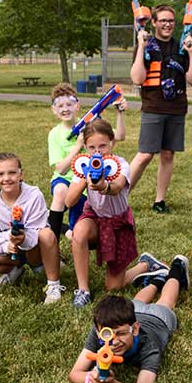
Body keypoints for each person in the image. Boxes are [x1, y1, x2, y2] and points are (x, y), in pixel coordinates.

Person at [67, 255, 190, 383]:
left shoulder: (149, 346)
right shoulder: (100, 331)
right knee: (136, 302)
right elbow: (73, 374)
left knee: (166, 301)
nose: (114, 341)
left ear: (135, 329)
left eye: (121, 334)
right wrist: (91, 377)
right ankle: (157, 280)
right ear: (98, 329)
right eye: (108, 334)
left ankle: (176, 268)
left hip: (158, 318)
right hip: (135, 311)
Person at [129, 4, 192, 214]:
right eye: (163, 20)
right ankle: (121, 196)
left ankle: (160, 200)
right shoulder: (147, 45)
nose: (167, 24)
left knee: (168, 154)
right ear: (154, 22)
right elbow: (137, 78)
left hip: (176, 108)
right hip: (153, 106)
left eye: (171, 21)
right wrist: (141, 47)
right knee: (145, 154)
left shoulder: (181, 46)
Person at [0, 152, 65, 304]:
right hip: (10, 248)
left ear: (21, 175)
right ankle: (15, 268)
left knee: (47, 234)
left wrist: (23, 238)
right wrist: (7, 244)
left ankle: (53, 284)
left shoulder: (34, 195)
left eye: (12, 172)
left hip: (34, 248)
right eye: (0, 174)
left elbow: (38, 228)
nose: (6, 178)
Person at [64, 119, 135, 308]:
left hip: (117, 222)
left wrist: (103, 185)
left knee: (113, 287)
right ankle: (83, 289)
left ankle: (146, 266)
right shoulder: (83, 166)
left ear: (112, 142)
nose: (97, 152)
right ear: (85, 147)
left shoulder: (120, 164)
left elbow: (118, 186)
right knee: (78, 232)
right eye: (91, 147)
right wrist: (83, 180)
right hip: (95, 217)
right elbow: (69, 201)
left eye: (103, 146)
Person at [46, 83, 126, 244]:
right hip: (67, 180)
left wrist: (120, 112)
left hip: (89, 181)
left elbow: (120, 136)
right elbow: (61, 169)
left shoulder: (89, 127)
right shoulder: (55, 134)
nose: (65, 109)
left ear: (78, 106)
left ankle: (64, 229)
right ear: (54, 110)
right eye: (60, 105)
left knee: (79, 233)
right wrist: (78, 145)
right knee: (61, 191)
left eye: (69, 104)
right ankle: (51, 241)